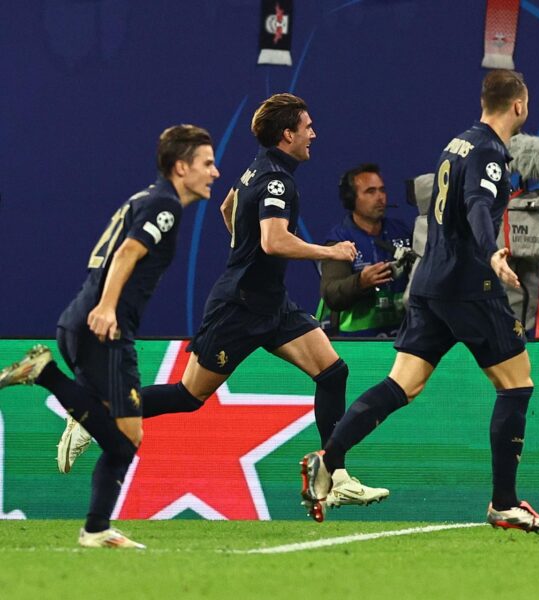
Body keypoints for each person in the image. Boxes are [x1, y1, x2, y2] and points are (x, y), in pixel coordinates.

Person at [56, 93, 389, 510]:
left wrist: (242, 251)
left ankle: (333, 474)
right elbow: (273, 240)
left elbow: (229, 207)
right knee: (188, 397)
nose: (313, 134)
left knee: (333, 372)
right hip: (239, 308)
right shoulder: (275, 180)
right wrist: (332, 252)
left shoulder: (260, 166)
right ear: (288, 134)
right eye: (307, 127)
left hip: (271, 303)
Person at [300, 70, 539, 532]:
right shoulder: (490, 153)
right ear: (519, 105)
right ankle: (504, 502)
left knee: (403, 385)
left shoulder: (456, 144)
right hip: (467, 285)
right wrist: (492, 252)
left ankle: (327, 458)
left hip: (429, 283)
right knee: (517, 385)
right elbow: (479, 207)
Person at [0, 124, 220, 548]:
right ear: (181, 167)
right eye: (207, 163)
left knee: (126, 441)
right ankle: (46, 375)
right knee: (124, 442)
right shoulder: (165, 206)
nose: (215, 171)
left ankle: (97, 529)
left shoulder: (146, 198)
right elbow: (127, 253)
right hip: (103, 327)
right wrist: (107, 307)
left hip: (88, 322)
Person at [317, 163, 413, 337]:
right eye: (370, 192)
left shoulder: (403, 232)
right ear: (350, 198)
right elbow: (331, 295)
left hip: (403, 338)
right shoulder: (339, 241)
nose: (380, 198)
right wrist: (360, 282)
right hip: (358, 343)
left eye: (382, 190)